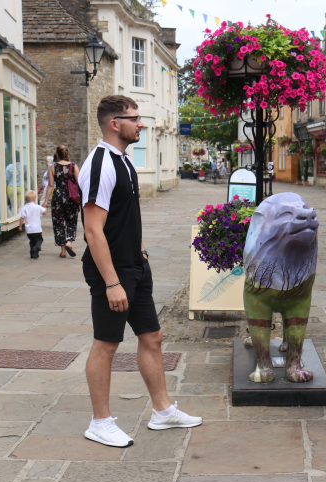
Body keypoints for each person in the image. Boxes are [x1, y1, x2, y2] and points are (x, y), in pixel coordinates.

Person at [78, 95, 201, 448]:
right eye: (135, 118)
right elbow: (92, 230)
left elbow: (122, 217)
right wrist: (112, 282)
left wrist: (139, 249)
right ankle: (100, 422)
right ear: (115, 123)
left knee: (152, 337)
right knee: (107, 344)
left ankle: (162, 411)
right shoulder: (101, 164)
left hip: (135, 264)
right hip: (113, 273)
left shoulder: (123, 161)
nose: (141, 124)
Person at [43, 145, 80, 258]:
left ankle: (63, 251)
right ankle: (69, 242)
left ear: (57, 155)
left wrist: (45, 201)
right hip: (71, 197)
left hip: (58, 197)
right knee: (71, 220)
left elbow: (50, 185)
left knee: (58, 223)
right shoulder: (74, 166)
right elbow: (79, 183)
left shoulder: (53, 167)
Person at [19, 190, 46, 259]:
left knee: (32, 241)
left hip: (29, 230)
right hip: (37, 229)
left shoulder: (24, 208)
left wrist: (20, 226)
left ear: (25, 199)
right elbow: (44, 212)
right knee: (39, 240)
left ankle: (33, 254)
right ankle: (36, 248)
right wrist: (44, 207)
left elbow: (22, 218)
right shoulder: (37, 207)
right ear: (35, 199)